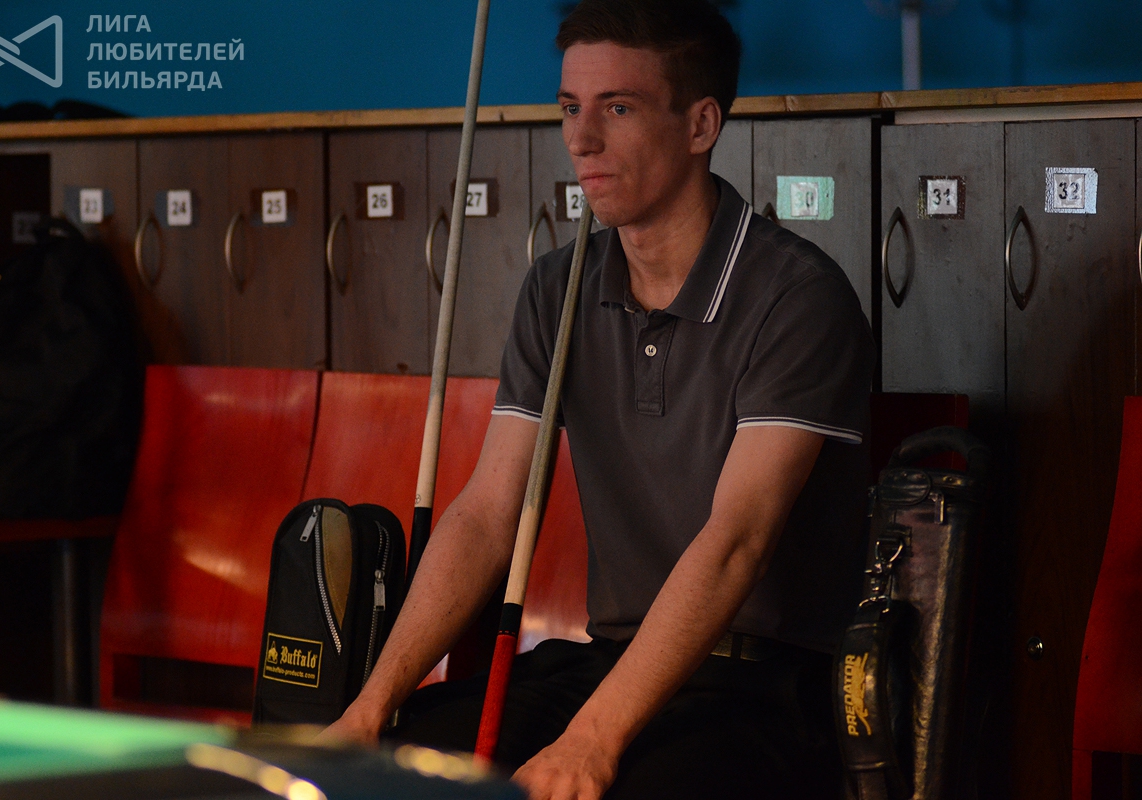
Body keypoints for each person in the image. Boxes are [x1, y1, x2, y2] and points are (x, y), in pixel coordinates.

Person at [323, 2, 875, 798]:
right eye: (569, 109)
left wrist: (591, 741)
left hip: (762, 689)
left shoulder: (796, 295)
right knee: (399, 770)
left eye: (617, 109)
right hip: (609, 661)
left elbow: (737, 542)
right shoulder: (558, 285)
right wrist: (370, 709)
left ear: (700, 125)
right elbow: (488, 514)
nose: (581, 140)